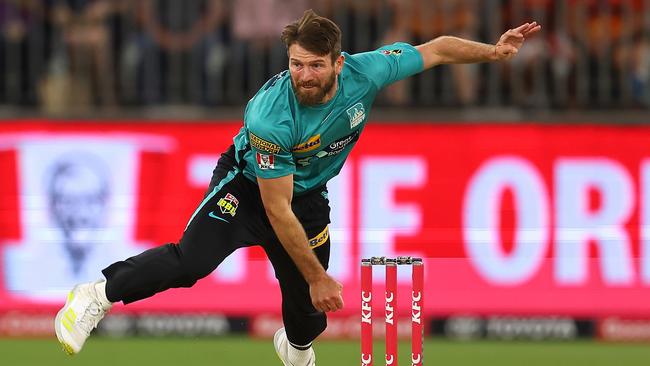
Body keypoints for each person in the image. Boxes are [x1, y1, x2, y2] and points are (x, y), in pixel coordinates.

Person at [54, 9, 540, 365]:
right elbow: (275, 211)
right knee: (191, 262)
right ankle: (97, 293)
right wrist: (318, 276)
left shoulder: (367, 71)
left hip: (307, 198)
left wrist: (493, 52)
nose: (303, 76)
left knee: (308, 320)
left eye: (314, 65)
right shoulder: (271, 115)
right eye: (295, 64)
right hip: (247, 189)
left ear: (339, 63)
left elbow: (434, 50)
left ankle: (295, 346)